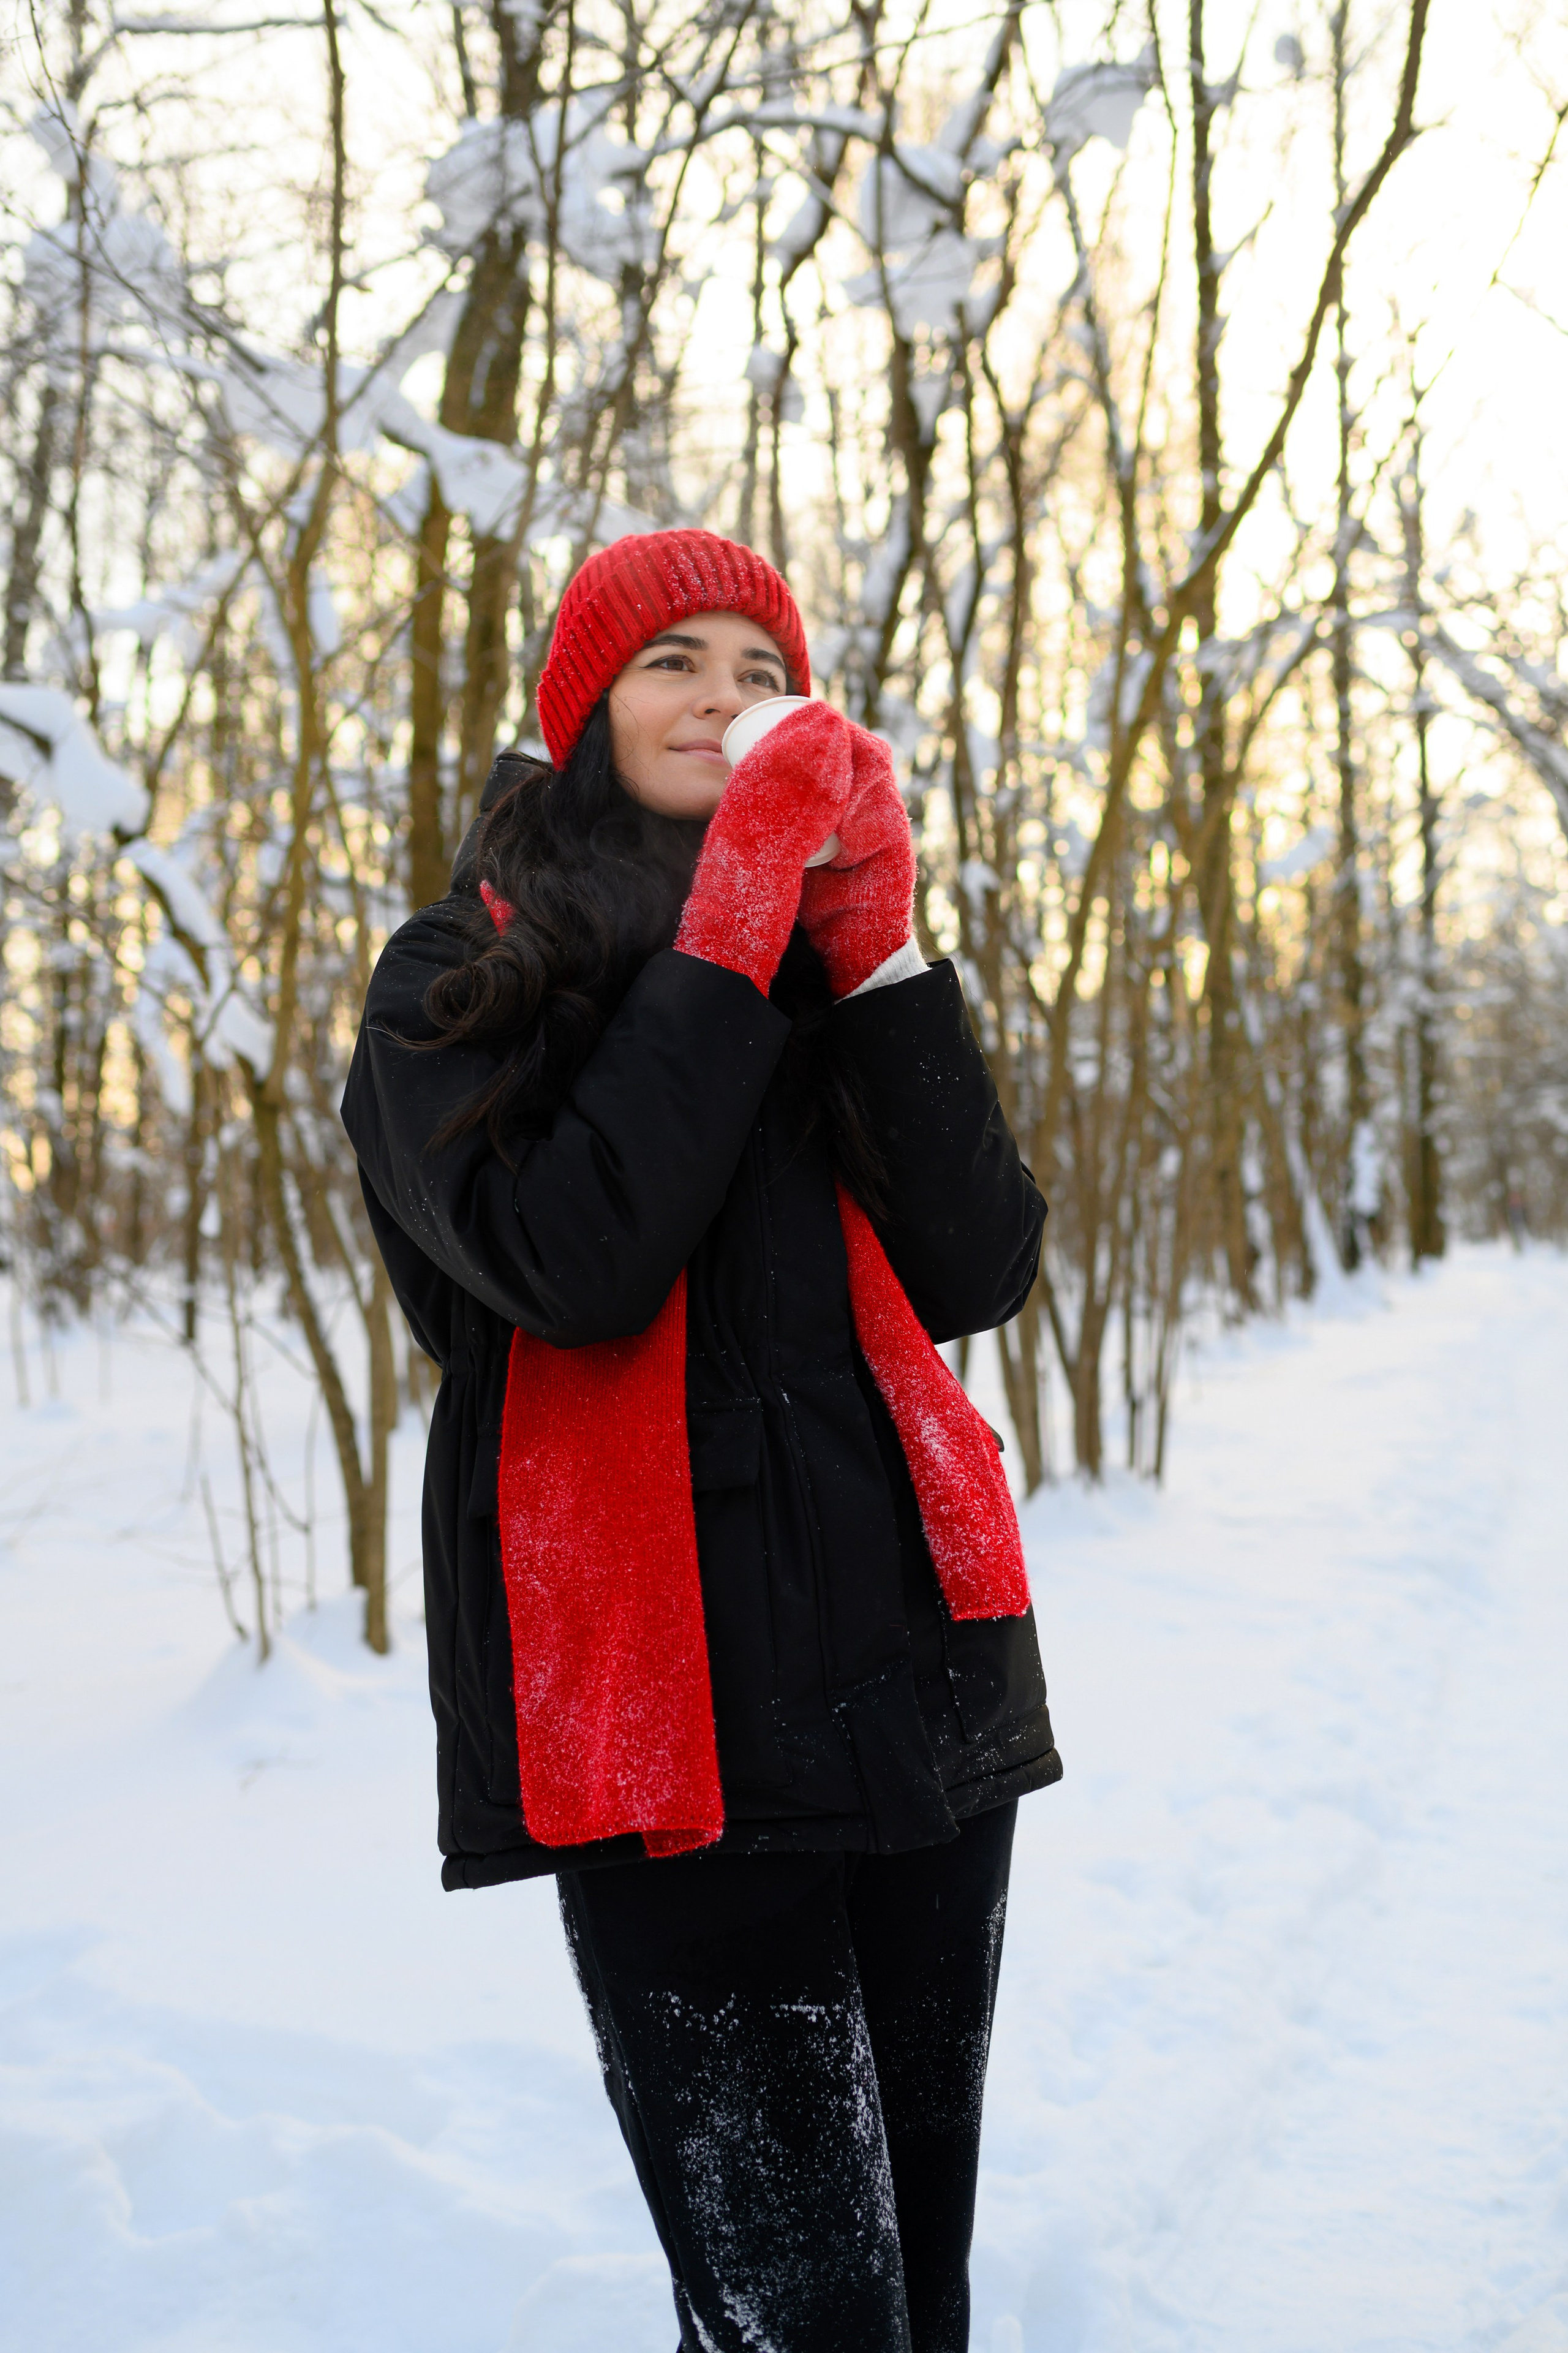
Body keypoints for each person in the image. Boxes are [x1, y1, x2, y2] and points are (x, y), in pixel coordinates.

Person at [341, 528, 1062, 2353]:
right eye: (676, 660)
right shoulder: (455, 972)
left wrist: (877, 947)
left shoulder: (823, 967)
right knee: (796, 2319)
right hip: (669, 1731)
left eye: (761, 664)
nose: (726, 695)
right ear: (585, 705)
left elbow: (979, 1263)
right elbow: (571, 1263)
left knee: (919, 2293)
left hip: (914, 1689)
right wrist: (735, 915)